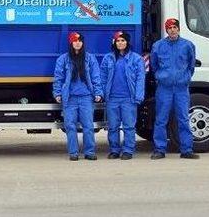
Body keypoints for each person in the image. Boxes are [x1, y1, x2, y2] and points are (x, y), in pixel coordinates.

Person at [150, 18, 200, 160]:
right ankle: (159, 149)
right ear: (166, 30)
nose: (172, 30)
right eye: (169, 27)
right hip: (164, 88)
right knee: (161, 119)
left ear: (178, 29)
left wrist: (185, 78)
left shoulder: (188, 45)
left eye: (175, 27)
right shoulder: (158, 46)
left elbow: (191, 65)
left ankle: (186, 150)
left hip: (181, 89)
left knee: (183, 119)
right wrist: (162, 77)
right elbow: (154, 65)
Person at [53, 31, 103, 161]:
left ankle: (90, 152)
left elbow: (96, 76)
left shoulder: (89, 58)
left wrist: (98, 92)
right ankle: (73, 153)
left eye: (80, 40)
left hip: (86, 97)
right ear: (71, 43)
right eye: (75, 40)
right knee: (70, 126)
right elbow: (58, 78)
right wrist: (57, 93)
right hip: (70, 98)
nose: (77, 43)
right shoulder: (63, 59)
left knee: (88, 126)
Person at [100, 31, 145, 160]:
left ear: (127, 42)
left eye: (123, 40)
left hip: (128, 99)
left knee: (129, 126)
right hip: (112, 99)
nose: (120, 43)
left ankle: (128, 150)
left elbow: (140, 79)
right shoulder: (108, 58)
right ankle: (114, 150)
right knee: (113, 126)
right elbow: (102, 77)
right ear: (114, 43)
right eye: (118, 41)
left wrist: (138, 96)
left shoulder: (136, 59)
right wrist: (103, 93)